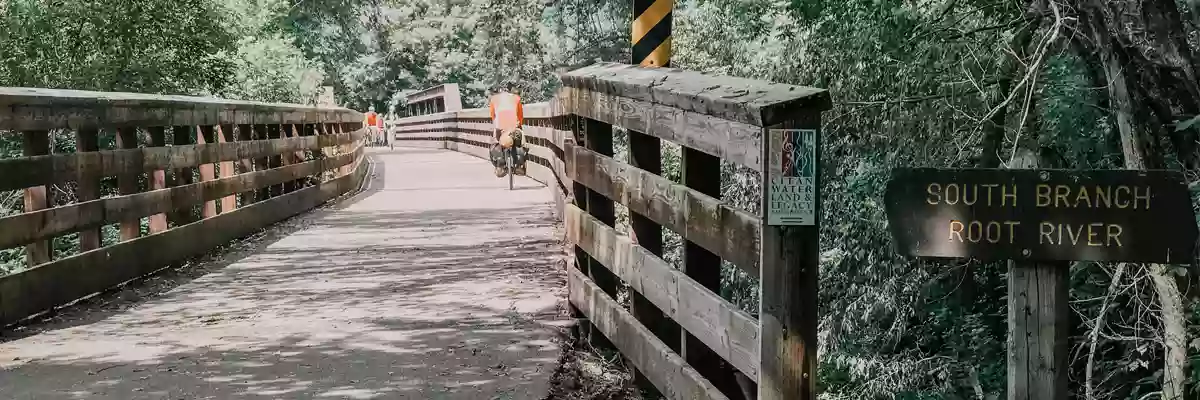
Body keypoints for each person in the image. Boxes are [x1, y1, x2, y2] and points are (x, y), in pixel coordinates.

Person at [488, 83, 528, 177]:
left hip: (500, 127)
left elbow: (493, 116)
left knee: (495, 142)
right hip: (513, 126)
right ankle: (519, 165)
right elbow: (520, 116)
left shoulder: (494, 100)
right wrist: (519, 124)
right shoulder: (516, 99)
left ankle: (500, 166)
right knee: (521, 142)